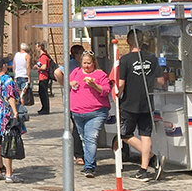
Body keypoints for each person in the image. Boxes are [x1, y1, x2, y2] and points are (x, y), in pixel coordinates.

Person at [116, 32, 164, 181]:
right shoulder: (152, 58)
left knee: (123, 134)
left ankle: (152, 157)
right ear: (142, 41)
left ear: (127, 41)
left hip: (129, 102)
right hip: (148, 101)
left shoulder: (125, 60)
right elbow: (161, 81)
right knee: (145, 135)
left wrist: (116, 94)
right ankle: (144, 169)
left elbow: (121, 84)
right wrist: (149, 86)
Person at [69, 48, 111, 178]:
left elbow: (106, 90)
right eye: (84, 63)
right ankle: (89, 162)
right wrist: (71, 83)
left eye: (89, 63)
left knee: (90, 138)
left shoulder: (100, 74)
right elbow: (68, 83)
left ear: (94, 63)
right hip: (77, 112)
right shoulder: (76, 72)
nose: (87, 66)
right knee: (83, 138)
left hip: (96, 112)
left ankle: (89, 167)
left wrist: (94, 86)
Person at [35, 44, 54, 115]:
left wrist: (37, 68)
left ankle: (45, 108)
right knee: (41, 93)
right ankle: (44, 107)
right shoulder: (41, 57)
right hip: (41, 77)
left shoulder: (43, 56)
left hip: (44, 77)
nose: (36, 49)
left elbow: (44, 67)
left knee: (43, 93)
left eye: (37, 47)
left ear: (40, 47)